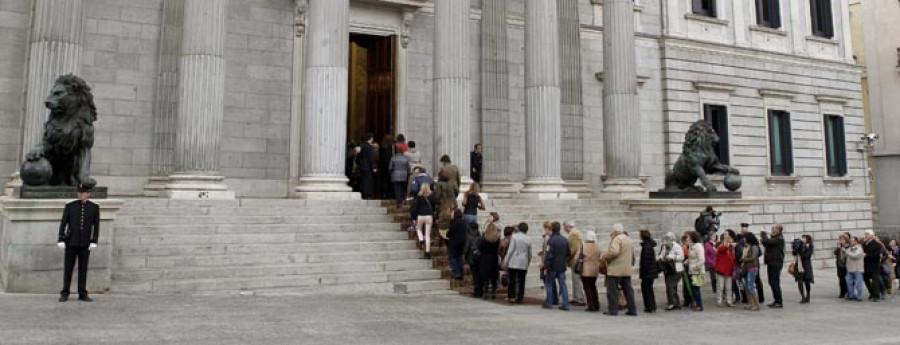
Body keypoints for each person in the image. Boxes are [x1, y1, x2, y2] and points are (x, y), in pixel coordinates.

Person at [57, 184, 100, 302]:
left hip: (85, 243)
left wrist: (94, 240)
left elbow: (96, 226)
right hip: (71, 242)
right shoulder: (70, 206)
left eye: (83, 192)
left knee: (83, 268)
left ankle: (82, 292)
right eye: (79, 192)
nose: (81, 195)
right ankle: (65, 292)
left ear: (88, 194)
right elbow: (63, 223)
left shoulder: (94, 207)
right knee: (68, 268)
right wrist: (61, 238)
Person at [602, 224, 637, 316]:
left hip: (615, 270)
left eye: (612, 231)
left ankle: (613, 310)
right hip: (626, 269)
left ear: (615, 232)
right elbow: (633, 255)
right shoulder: (628, 239)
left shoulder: (617, 239)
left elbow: (614, 252)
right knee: (628, 290)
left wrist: (605, 256)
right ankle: (632, 309)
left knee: (612, 291)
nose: (611, 233)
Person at [542, 222, 570, 311]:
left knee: (549, 284)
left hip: (553, 266)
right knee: (563, 285)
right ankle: (566, 303)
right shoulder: (565, 239)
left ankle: (549, 302)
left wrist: (546, 266)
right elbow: (568, 253)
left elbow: (549, 254)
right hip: (562, 266)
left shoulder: (551, 240)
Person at [503, 222, 532, 304]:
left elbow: (511, 249)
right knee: (522, 280)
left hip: (514, 260)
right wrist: (528, 261)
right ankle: (520, 297)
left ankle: (512, 296)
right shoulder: (528, 238)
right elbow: (530, 252)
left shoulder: (514, 237)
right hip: (524, 261)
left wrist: (506, 260)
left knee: (512, 280)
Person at [760, 224, 785, 308]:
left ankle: (779, 301)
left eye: (774, 228)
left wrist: (763, 233)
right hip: (771, 262)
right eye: (772, 228)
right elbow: (766, 244)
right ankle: (777, 300)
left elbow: (767, 241)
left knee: (775, 282)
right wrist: (763, 239)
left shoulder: (779, 239)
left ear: (779, 230)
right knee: (772, 282)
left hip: (775, 263)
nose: (772, 230)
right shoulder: (774, 238)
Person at [659, 232, 685, 311]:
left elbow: (681, 257)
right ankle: (674, 302)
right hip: (668, 268)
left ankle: (673, 303)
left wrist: (672, 257)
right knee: (670, 285)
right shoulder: (664, 246)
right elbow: (661, 254)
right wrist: (661, 258)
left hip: (676, 269)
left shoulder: (677, 246)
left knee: (670, 285)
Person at [579, 231, 602, 312]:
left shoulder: (584, 246)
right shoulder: (597, 246)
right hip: (595, 269)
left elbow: (580, 256)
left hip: (586, 269)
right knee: (593, 286)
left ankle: (591, 305)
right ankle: (596, 304)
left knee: (587, 288)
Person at [564, 221, 586, 306]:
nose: (565, 230)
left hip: (576, 260)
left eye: (565, 228)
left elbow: (575, 248)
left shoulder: (574, 234)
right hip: (576, 260)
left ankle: (580, 298)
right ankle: (576, 297)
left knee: (577, 280)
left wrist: (567, 255)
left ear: (568, 227)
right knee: (575, 279)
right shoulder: (576, 233)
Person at [477, 222, 501, 300]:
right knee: (493, 276)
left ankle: (486, 292)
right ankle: (494, 292)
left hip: (485, 257)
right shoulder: (497, 239)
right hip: (494, 257)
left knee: (486, 277)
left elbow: (480, 247)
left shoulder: (484, 238)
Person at [638, 230, 659, 313]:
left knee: (647, 289)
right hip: (650, 272)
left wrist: (644, 273)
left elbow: (646, 262)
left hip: (648, 272)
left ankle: (650, 306)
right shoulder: (648, 246)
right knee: (648, 288)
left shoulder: (646, 247)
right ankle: (651, 305)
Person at [413, 184, 436, 259]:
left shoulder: (419, 196)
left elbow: (417, 207)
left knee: (418, 228)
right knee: (428, 235)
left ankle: (421, 239)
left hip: (420, 214)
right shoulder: (432, 195)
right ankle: (427, 252)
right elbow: (433, 206)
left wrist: (414, 217)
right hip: (429, 215)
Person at [740, 232, 762, 311]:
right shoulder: (747, 247)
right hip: (746, 268)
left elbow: (753, 257)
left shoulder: (754, 247)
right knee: (747, 287)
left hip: (752, 268)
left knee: (751, 286)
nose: (744, 239)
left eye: (745, 238)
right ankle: (750, 303)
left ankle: (756, 304)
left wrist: (744, 259)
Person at [685, 231, 706, 311]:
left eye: (688, 237)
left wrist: (695, 267)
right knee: (693, 289)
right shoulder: (691, 246)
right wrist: (686, 262)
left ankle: (700, 305)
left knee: (696, 289)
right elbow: (691, 257)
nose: (687, 239)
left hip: (697, 271)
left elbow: (702, 259)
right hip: (692, 270)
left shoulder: (698, 246)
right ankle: (697, 304)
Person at [715, 231, 736, 307]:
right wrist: (727, 244)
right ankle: (719, 300)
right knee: (720, 286)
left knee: (729, 287)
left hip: (728, 269)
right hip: (721, 269)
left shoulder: (731, 249)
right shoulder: (720, 245)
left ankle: (729, 300)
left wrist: (731, 246)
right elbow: (721, 249)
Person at [446, 210, 467, 280]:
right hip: (463, 243)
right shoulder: (464, 222)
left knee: (452, 257)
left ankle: (457, 272)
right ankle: (461, 273)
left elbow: (449, 233)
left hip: (454, 243)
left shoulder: (455, 222)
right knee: (459, 258)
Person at [863, 230, 883, 302]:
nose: (866, 236)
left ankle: (876, 296)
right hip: (866, 265)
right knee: (865, 279)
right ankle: (872, 293)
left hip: (874, 265)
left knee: (875, 281)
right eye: (865, 234)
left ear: (872, 236)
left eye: (867, 234)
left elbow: (876, 255)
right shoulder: (864, 244)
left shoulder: (877, 244)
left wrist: (867, 255)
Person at [843, 236, 865, 302]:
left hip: (857, 269)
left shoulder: (859, 248)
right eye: (850, 241)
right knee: (848, 282)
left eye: (852, 241)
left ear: (856, 241)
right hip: (849, 268)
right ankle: (851, 295)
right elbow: (846, 256)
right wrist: (843, 252)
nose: (851, 242)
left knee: (859, 283)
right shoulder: (849, 248)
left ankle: (859, 296)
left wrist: (846, 252)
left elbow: (855, 256)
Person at [356, 133, 377, 199]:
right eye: (372, 138)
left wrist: (359, 164)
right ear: (371, 138)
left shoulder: (361, 146)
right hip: (368, 167)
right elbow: (371, 158)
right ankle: (367, 195)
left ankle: (363, 194)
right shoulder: (370, 147)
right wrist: (374, 167)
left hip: (362, 166)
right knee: (368, 181)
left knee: (363, 180)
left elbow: (358, 157)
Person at [834, 234, 850, 299]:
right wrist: (838, 248)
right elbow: (835, 253)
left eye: (842, 240)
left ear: (846, 240)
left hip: (846, 265)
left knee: (847, 279)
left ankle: (847, 292)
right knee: (841, 279)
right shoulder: (839, 247)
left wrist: (844, 250)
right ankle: (842, 293)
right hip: (840, 265)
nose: (841, 241)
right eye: (840, 240)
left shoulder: (848, 246)